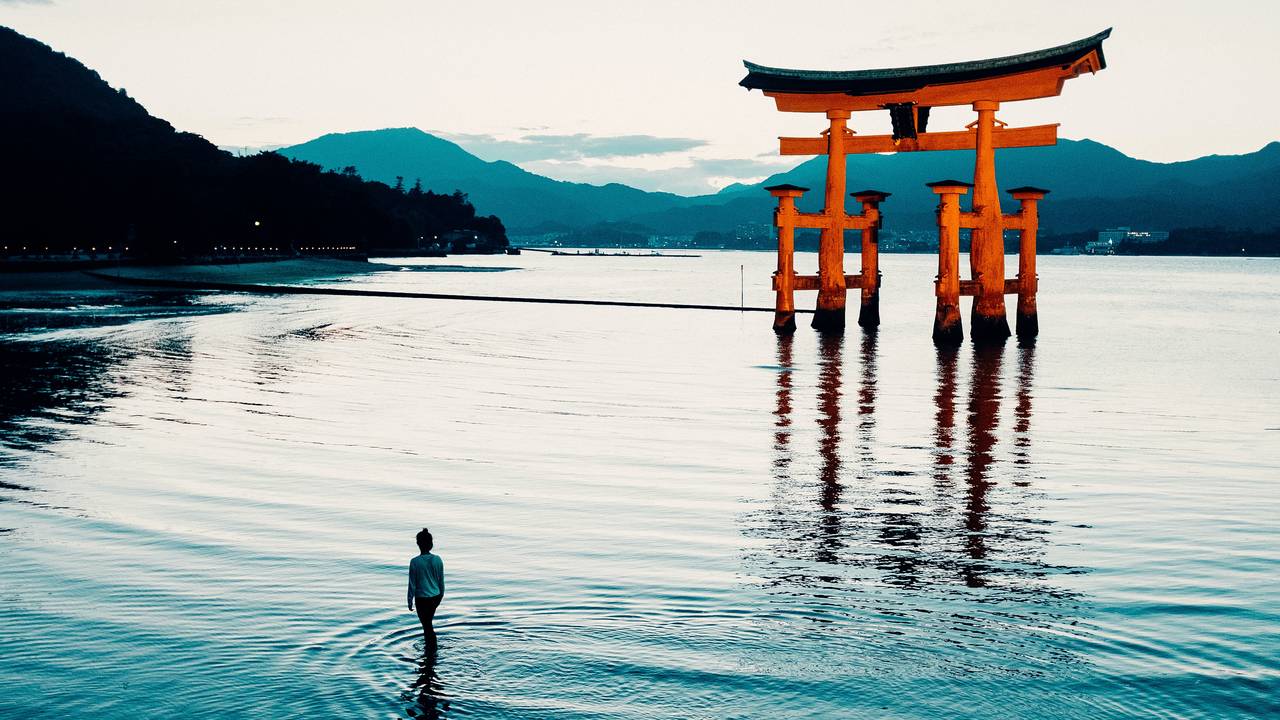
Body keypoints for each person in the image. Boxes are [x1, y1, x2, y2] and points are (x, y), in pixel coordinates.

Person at [407, 528, 445, 649]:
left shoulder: (415, 562)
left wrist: (409, 601)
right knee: (428, 624)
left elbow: (412, 584)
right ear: (431, 544)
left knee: (427, 626)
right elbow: (441, 581)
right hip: (435, 597)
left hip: (422, 599)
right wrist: (440, 596)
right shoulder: (438, 559)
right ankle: (430, 650)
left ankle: (431, 650)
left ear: (418, 544)